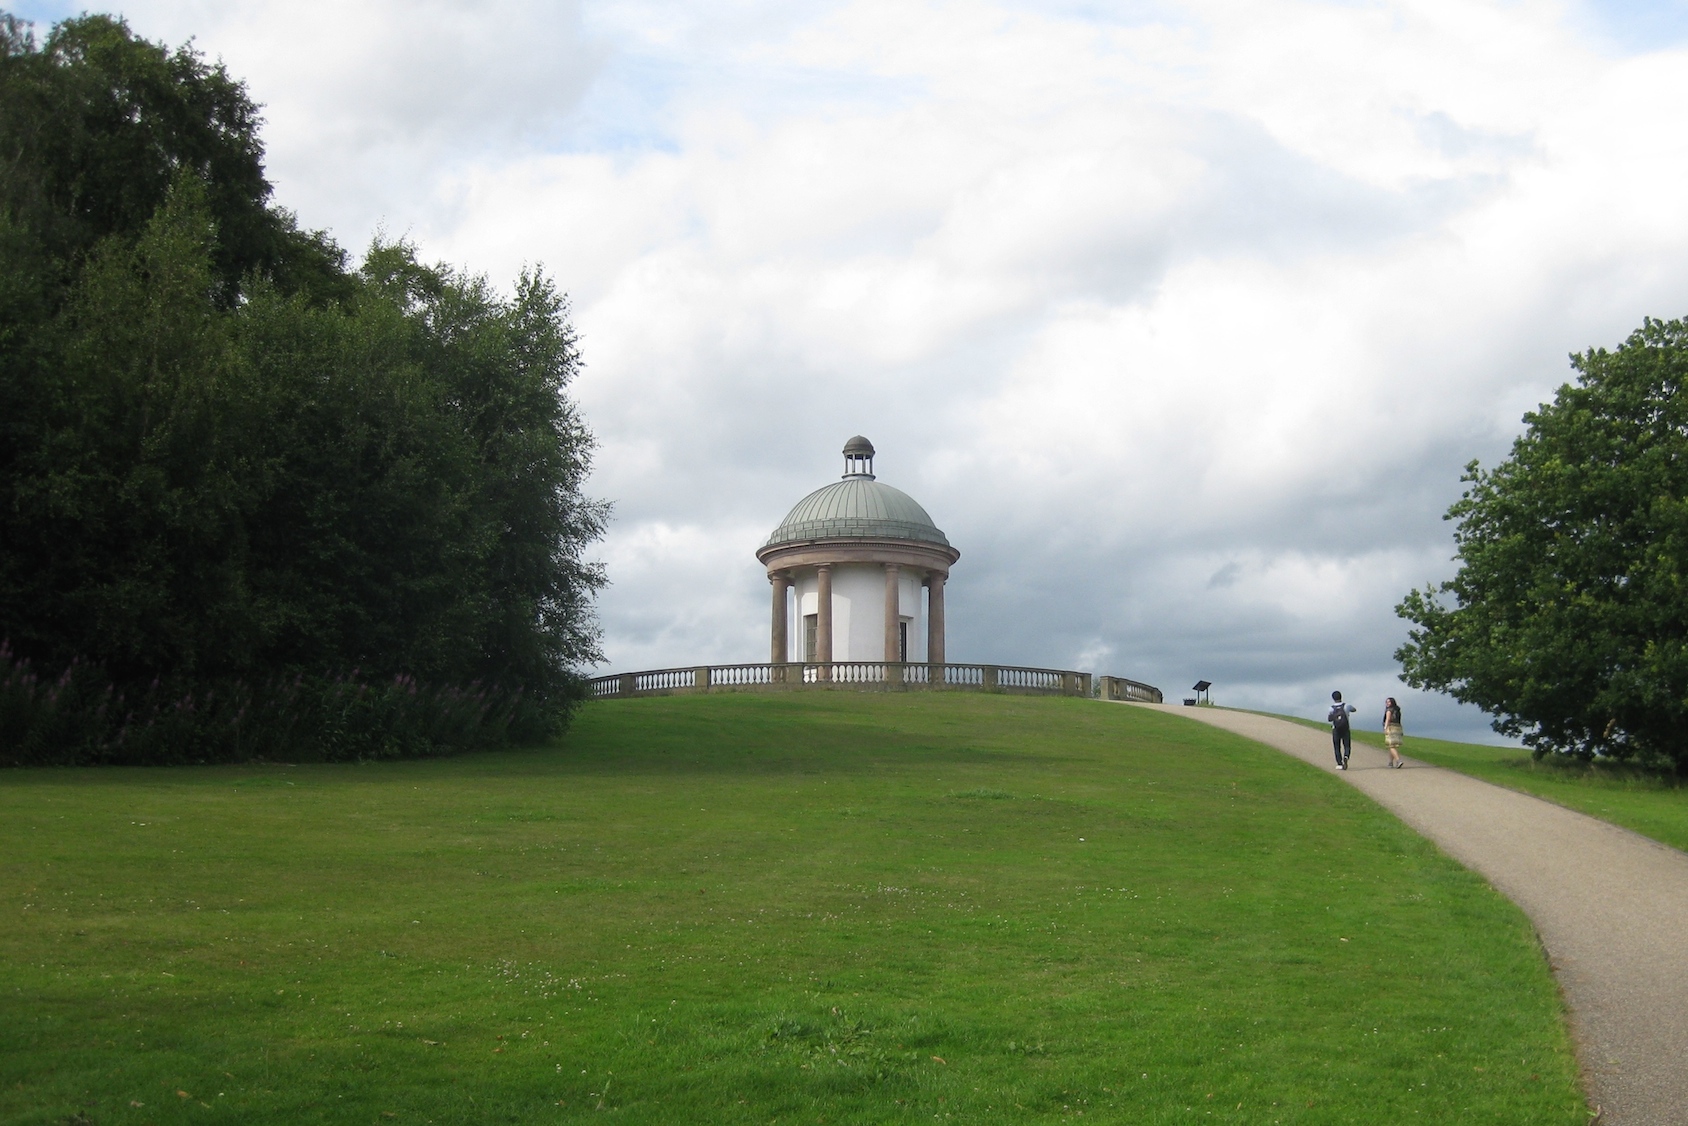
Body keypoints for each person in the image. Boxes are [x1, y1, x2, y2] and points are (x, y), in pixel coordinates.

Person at [1328, 691, 1356, 769]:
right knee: (1347, 745)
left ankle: (1339, 763)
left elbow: (1330, 718)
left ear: (1333, 698)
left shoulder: (1331, 708)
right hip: (1345, 728)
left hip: (1336, 729)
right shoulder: (1346, 706)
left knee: (1337, 746)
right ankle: (1346, 756)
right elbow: (1354, 709)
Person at [1383, 697, 1405, 769]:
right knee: (1393, 745)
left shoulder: (1389, 710)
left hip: (1391, 728)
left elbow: (1388, 719)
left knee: (1391, 745)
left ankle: (1398, 760)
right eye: (1386, 702)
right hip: (1398, 728)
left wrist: (1385, 728)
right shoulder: (1397, 710)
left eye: (1388, 702)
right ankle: (1390, 762)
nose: (1387, 703)